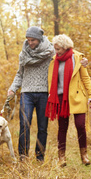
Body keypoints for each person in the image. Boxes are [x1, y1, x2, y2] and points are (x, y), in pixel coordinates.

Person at [46, 34, 91, 167]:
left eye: (59, 49)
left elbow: (86, 78)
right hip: (61, 98)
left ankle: (84, 155)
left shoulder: (77, 58)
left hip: (77, 96)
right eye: (55, 49)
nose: (56, 52)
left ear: (65, 47)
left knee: (80, 125)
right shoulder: (53, 60)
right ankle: (61, 157)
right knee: (62, 127)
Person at [8, 26, 54, 162]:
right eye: (28, 40)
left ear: (39, 39)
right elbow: (20, 74)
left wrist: (81, 61)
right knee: (24, 124)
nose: (30, 43)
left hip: (44, 93)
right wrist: (12, 88)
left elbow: (66, 56)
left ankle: (40, 157)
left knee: (42, 127)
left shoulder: (50, 53)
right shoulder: (23, 54)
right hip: (26, 93)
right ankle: (23, 156)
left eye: (33, 40)